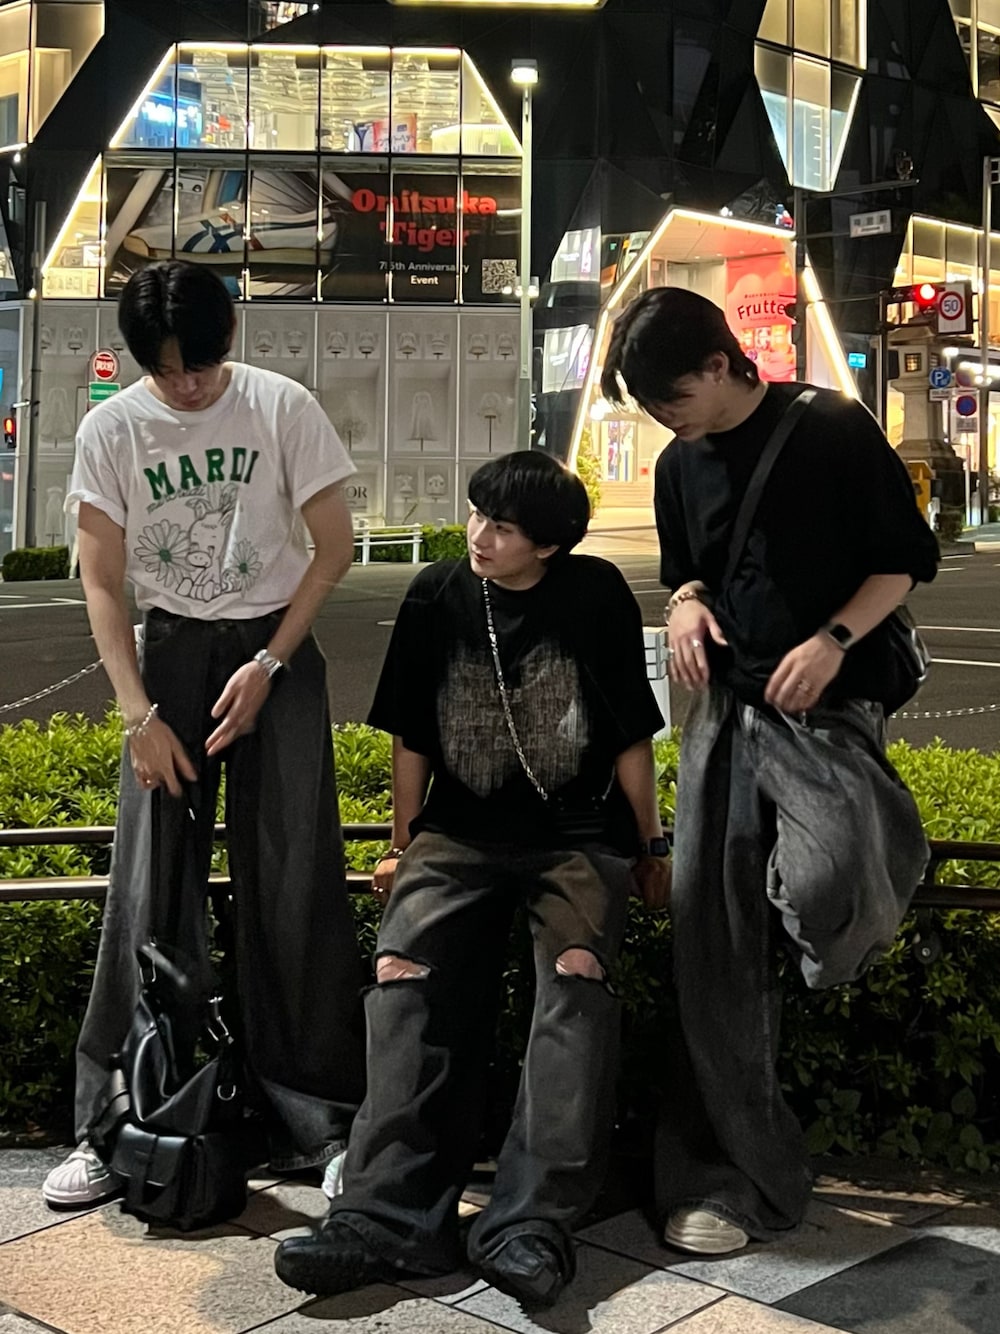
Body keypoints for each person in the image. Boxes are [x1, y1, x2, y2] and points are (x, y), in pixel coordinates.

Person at [274, 451, 669, 1309]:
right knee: (402, 972)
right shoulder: (438, 594)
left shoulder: (595, 594)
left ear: (550, 545)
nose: (480, 536)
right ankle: (386, 1216)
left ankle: (529, 1221)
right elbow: (412, 733)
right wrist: (402, 843)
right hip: (456, 832)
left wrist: (650, 845)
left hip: (575, 836)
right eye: (477, 515)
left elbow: (630, 732)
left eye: (503, 528)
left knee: (576, 978)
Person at [600, 286, 939, 1257]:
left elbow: (902, 560)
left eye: (672, 397)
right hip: (724, 710)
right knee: (711, 942)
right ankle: (723, 1176)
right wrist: (683, 605)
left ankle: (835, 897)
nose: (665, 419)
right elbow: (690, 572)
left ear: (720, 363)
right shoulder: (679, 464)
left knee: (832, 880)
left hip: (825, 708)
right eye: (650, 405)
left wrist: (833, 641)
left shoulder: (829, 427)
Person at [43, 260, 367, 1209]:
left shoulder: (280, 405)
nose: (186, 384)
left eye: (201, 364)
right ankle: (116, 1120)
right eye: (166, 369)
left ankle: (321, 1121)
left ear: (229, 340)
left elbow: (335, 545)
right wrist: (138, 714)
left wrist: (270, 664)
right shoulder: (112, 428)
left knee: (296, 879)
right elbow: (102, 581)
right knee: (149, 885)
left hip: (275, 653)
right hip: (171, 657)